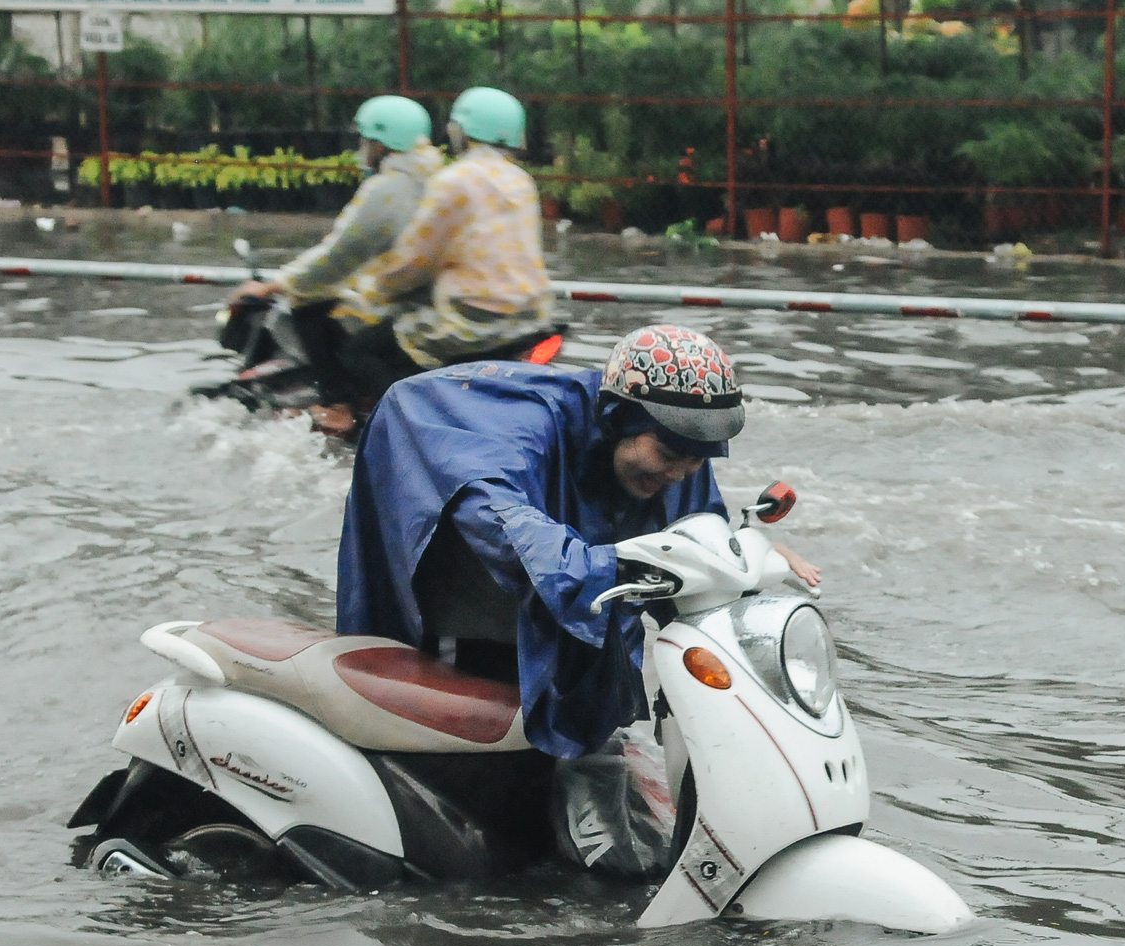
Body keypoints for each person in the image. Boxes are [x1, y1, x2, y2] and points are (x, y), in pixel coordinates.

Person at [337, 324, 820, 773]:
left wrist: (747, 560)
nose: (678, 476)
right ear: (617, 420)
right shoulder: (528, 426)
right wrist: (607, 563)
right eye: (669, 458)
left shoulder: (674, 454)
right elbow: (503, 522)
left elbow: (698, 533)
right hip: (472, 628)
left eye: (695, 463)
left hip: (584, 647)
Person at [224, 96, 444, 424]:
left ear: (382, 144)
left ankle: (340, 404)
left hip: (410, 307)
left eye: (366, 140)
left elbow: (337, 256)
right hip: (438, 298)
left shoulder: (388, 190)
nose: (362, 148)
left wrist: (276, 285)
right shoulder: (439, 177)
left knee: (307, 307)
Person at [341, 87, 556, 414]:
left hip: (473, 322)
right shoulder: (521, 181)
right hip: (531, 317)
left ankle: (403, 424)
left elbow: (416, 258)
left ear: (462, 133)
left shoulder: (454, 179)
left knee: (360, 351)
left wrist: (377, 288)